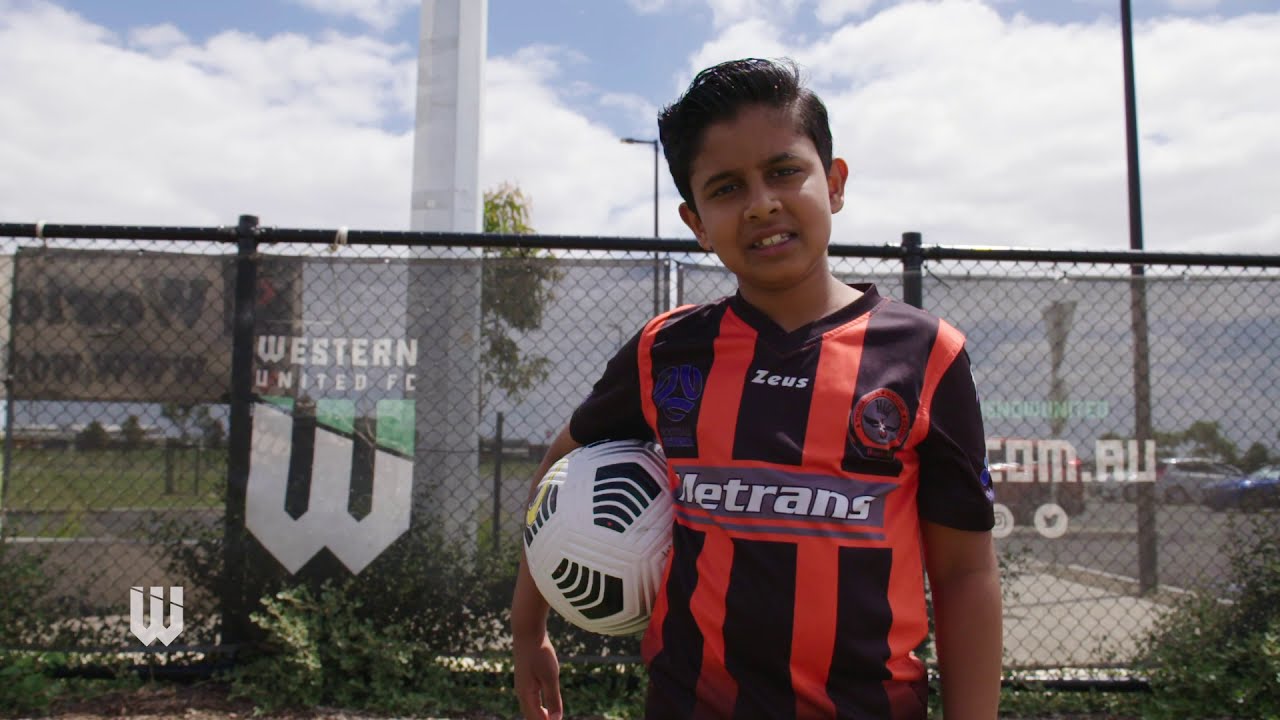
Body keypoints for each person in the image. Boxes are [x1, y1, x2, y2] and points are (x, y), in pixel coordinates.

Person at [511, 57, 1002, 720]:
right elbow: (562, 470)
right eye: (726, 188)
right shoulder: (667, 351)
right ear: (697, 223)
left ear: (833, 182)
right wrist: (527, 626)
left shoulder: (927, 356)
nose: (762, 202)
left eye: (783, 171)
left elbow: (964, 574)